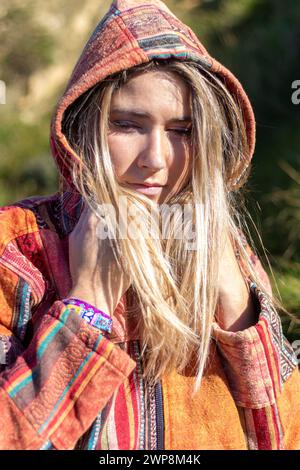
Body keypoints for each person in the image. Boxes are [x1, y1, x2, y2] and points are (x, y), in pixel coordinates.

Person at [0, 0, 299, 450]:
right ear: (82, 129)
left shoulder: (226, 248)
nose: (156, 159)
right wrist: (89, 305)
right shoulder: (16, 249)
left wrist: (237, 306)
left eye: (182, 130)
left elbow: (285, 436)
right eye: (127, 125)